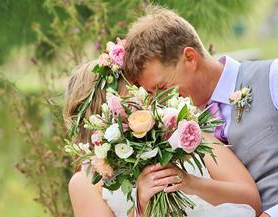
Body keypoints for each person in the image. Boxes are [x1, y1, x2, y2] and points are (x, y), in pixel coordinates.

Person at [123, 6, 278, 217]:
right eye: (152, 93)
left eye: (162, 87)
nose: (160, 100)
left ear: (190, 57)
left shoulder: (271, 77)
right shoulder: (174, 131)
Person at [65, 61, 260, 216]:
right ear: (104, 111)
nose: (148, 99)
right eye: (133, 93)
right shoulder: (86, 182)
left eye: (143, 91)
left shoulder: (187, 135)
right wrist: (141, 206)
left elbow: (251, 200)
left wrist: (191, 183)